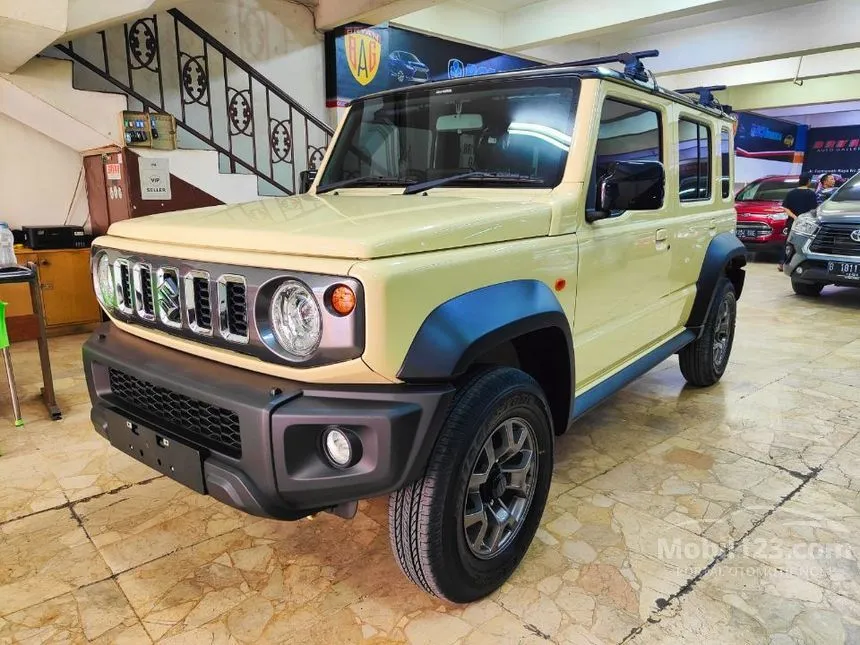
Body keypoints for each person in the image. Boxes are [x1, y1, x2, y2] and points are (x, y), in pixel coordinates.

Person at [779, 172, 818, 272]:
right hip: (806, 224)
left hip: (792, 222)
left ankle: (783, 263)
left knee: (788, 242)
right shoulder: (811, 194)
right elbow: (814, 210)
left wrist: (795, 217)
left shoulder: (791, 193)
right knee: (803, 244)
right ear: (808, 181)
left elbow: (785, 208)